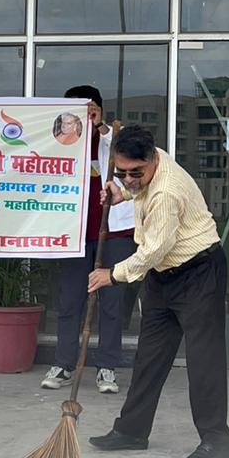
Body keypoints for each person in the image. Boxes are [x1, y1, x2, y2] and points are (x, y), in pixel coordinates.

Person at [88, 125, 229, 458]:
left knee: (204, 360)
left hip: (199, 272)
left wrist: (112, 275)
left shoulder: (167, 192)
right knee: (149, 355)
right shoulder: (153, 163)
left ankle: (217, 440)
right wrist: (126, 194)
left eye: (135, 173)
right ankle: (132, 431)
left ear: (152, 160)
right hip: (163, 276)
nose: (128, 178)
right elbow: (144, 200)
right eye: (121, 172)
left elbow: (153, 250)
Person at [42, 86, 135, 395]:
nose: (79, 116)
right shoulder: (60, 140)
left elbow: (119, 151)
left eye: (87, 109)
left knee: (111, 302)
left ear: (98, 109)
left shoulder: (113, 137)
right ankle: (64, 363)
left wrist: (99, 127)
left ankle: (107, 366)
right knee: (70, 300)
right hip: (75, 233)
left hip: (115, 232)